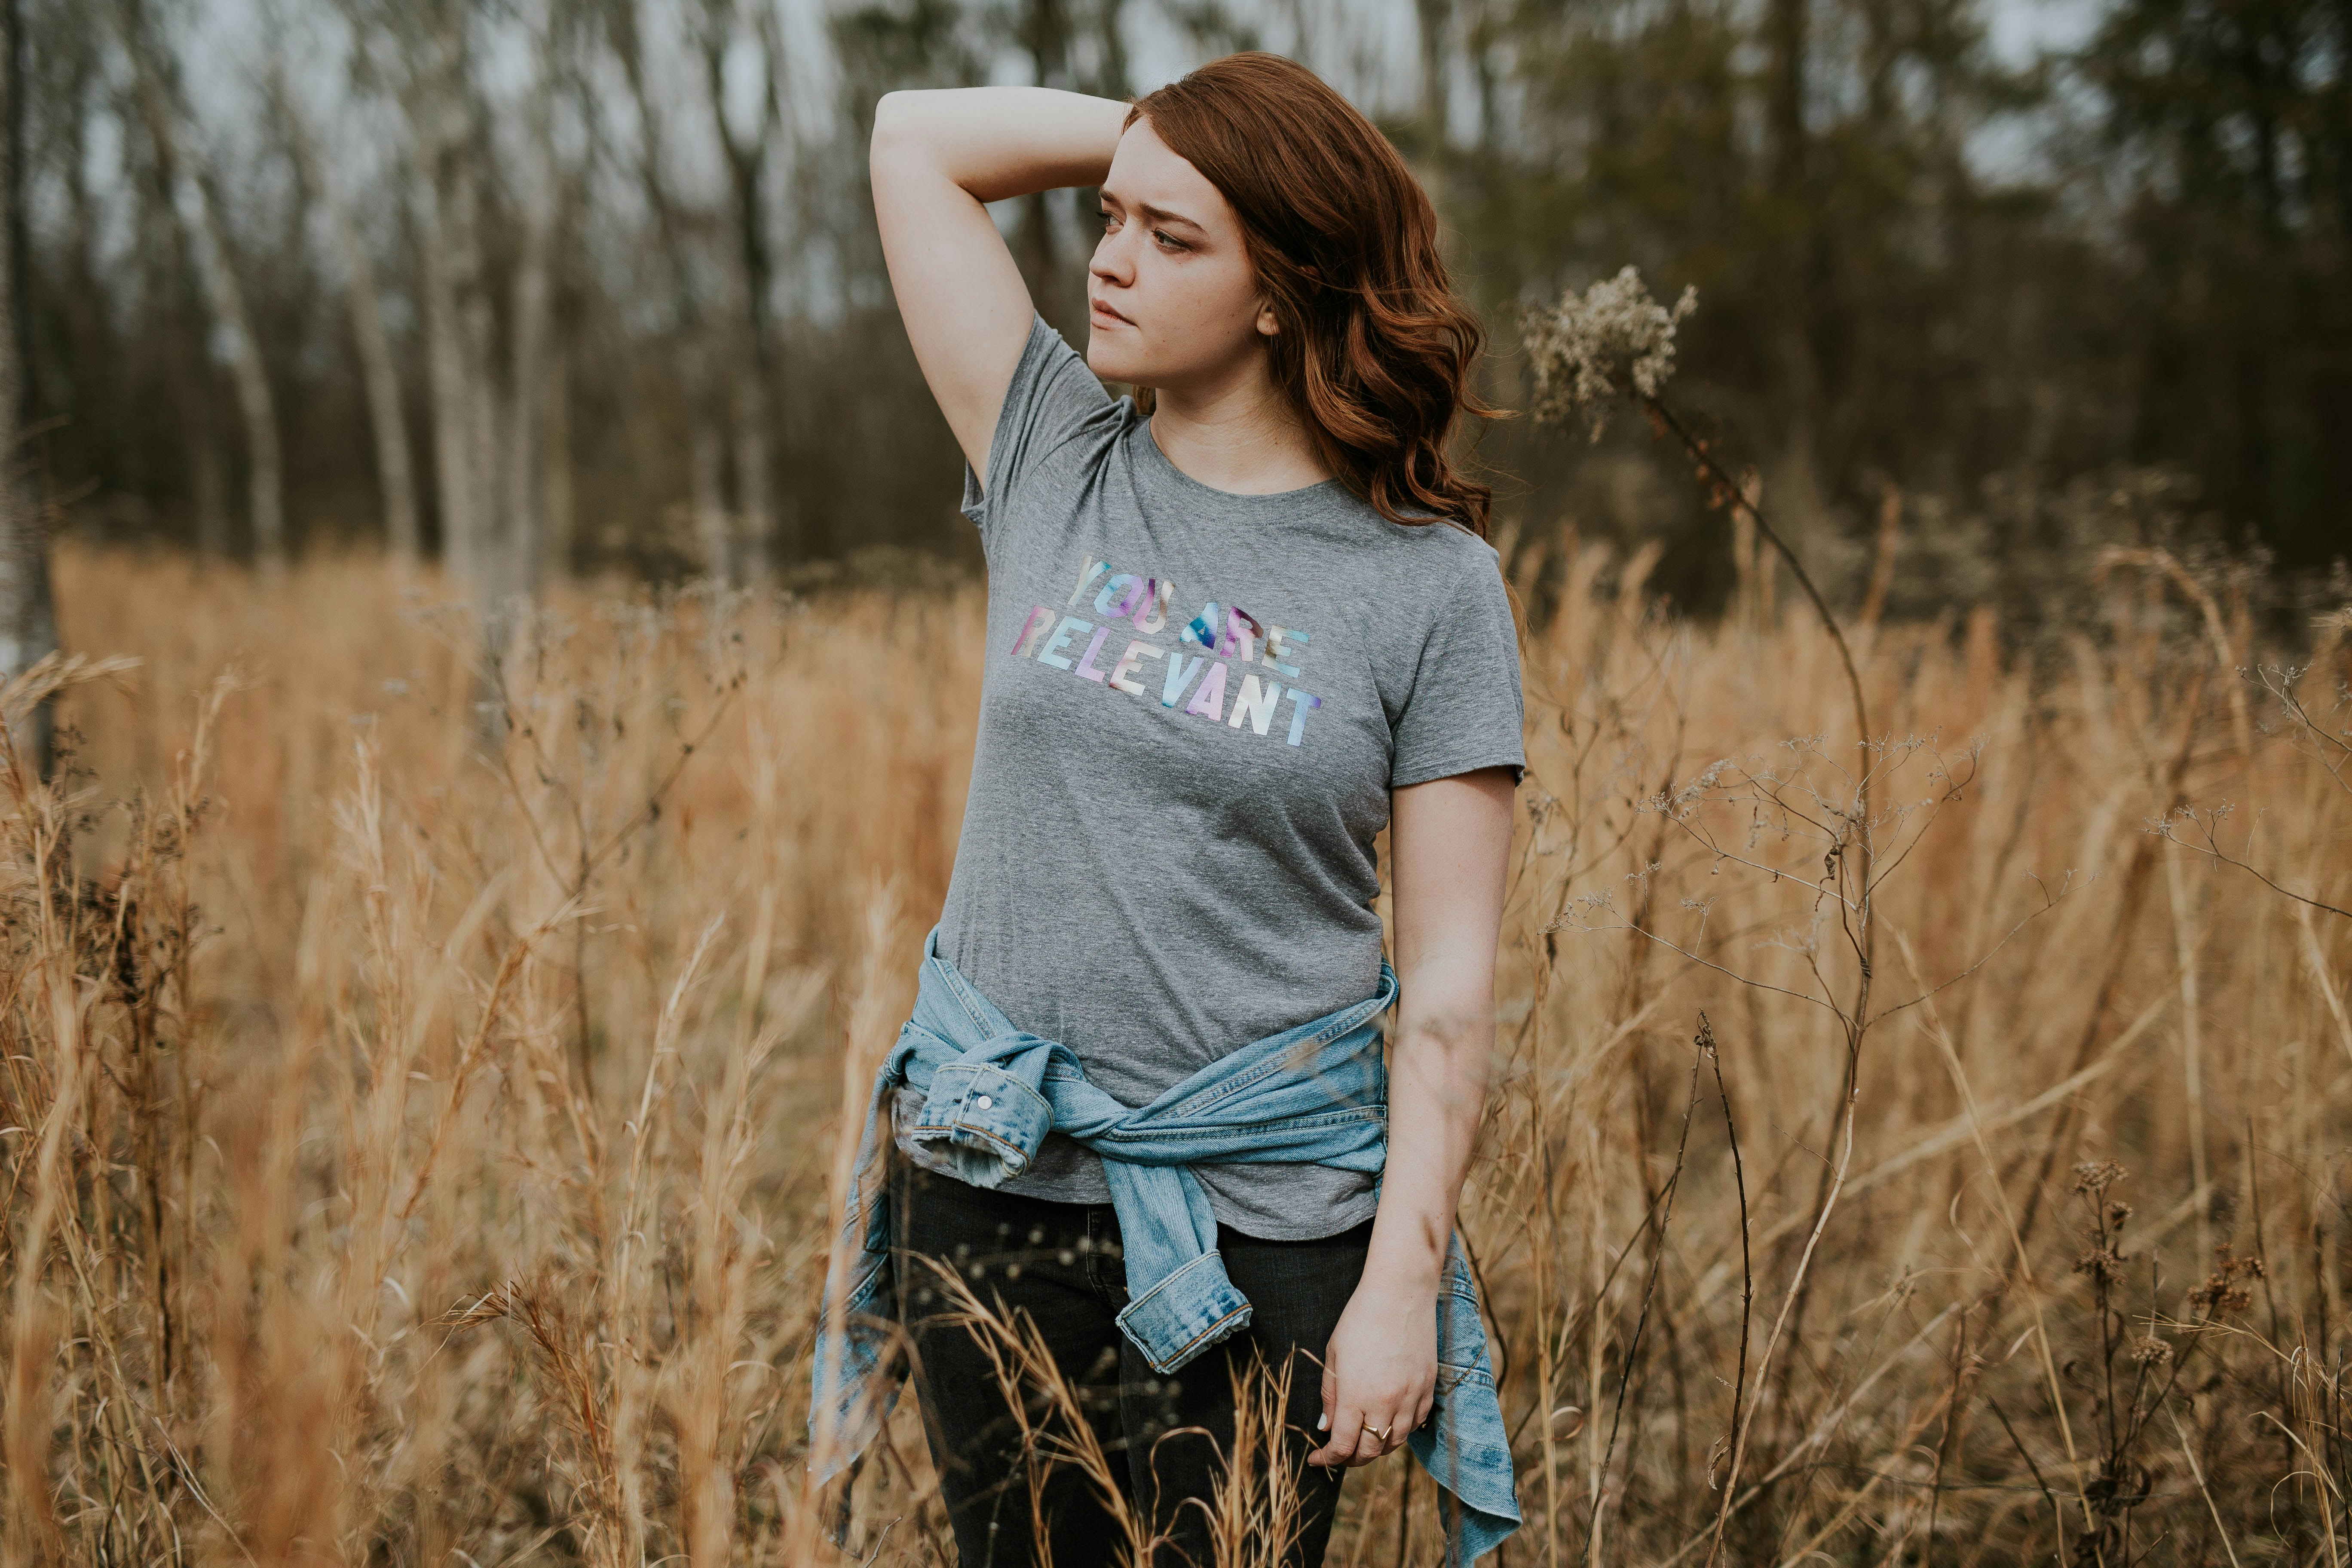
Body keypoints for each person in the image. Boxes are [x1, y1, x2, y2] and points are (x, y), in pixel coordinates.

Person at [812, 51, 1526, 1568]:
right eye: (1113, 217)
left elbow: (1451, 989)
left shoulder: (1427, 584)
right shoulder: (1053, 453)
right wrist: (1171, 142)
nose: (1112, 261)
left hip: (1268, 1227)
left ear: (1286, 289)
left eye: (1175, 236)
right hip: (993, 1171)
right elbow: (913, 138)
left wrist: (1398, 1284)